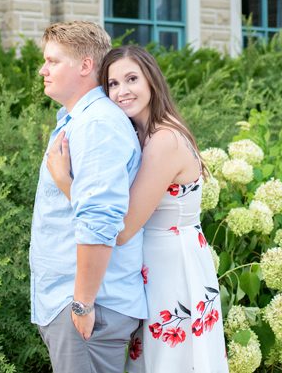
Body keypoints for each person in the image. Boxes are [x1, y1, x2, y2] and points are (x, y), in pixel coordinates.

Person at [46, 45, 228, 372]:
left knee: (170, 362)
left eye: (132, 79)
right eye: (112, 84)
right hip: (155, 263)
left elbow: (124, 227)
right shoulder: (140, 133)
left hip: (172, 269)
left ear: (152, 82)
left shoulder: (164, 140)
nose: (122, 91)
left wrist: (64, 181)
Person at [30, 22, 147, 373]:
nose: (43, 69)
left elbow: (100, 219)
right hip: (75, 307)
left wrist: (81, 304)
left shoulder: (97, 125)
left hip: (88, 310)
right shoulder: (78, 120)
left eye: (52, 61)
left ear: (84, 65)